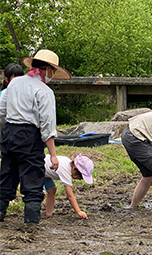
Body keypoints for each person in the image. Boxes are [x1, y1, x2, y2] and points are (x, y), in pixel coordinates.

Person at [0, 49, 71, 224]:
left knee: (7, 174)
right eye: (53, 71)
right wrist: (53, 154)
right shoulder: (45, 92)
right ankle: (31, 224)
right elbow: (47, 125)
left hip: (9, 132)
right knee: (32, 177)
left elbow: (1, 112)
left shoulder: (14, 84)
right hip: (29, 135)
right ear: (47, 69)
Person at [44, 154, 94, 219]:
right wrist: (79, 211)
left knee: (52, 190)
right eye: (80, 177)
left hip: (45, 173)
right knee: (40, 194)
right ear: (74, 169)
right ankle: (34, 216)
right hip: (35, 168)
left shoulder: (68, 162)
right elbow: (70, 196)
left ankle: (48, 216)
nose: (79, 179)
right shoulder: (65, 171)